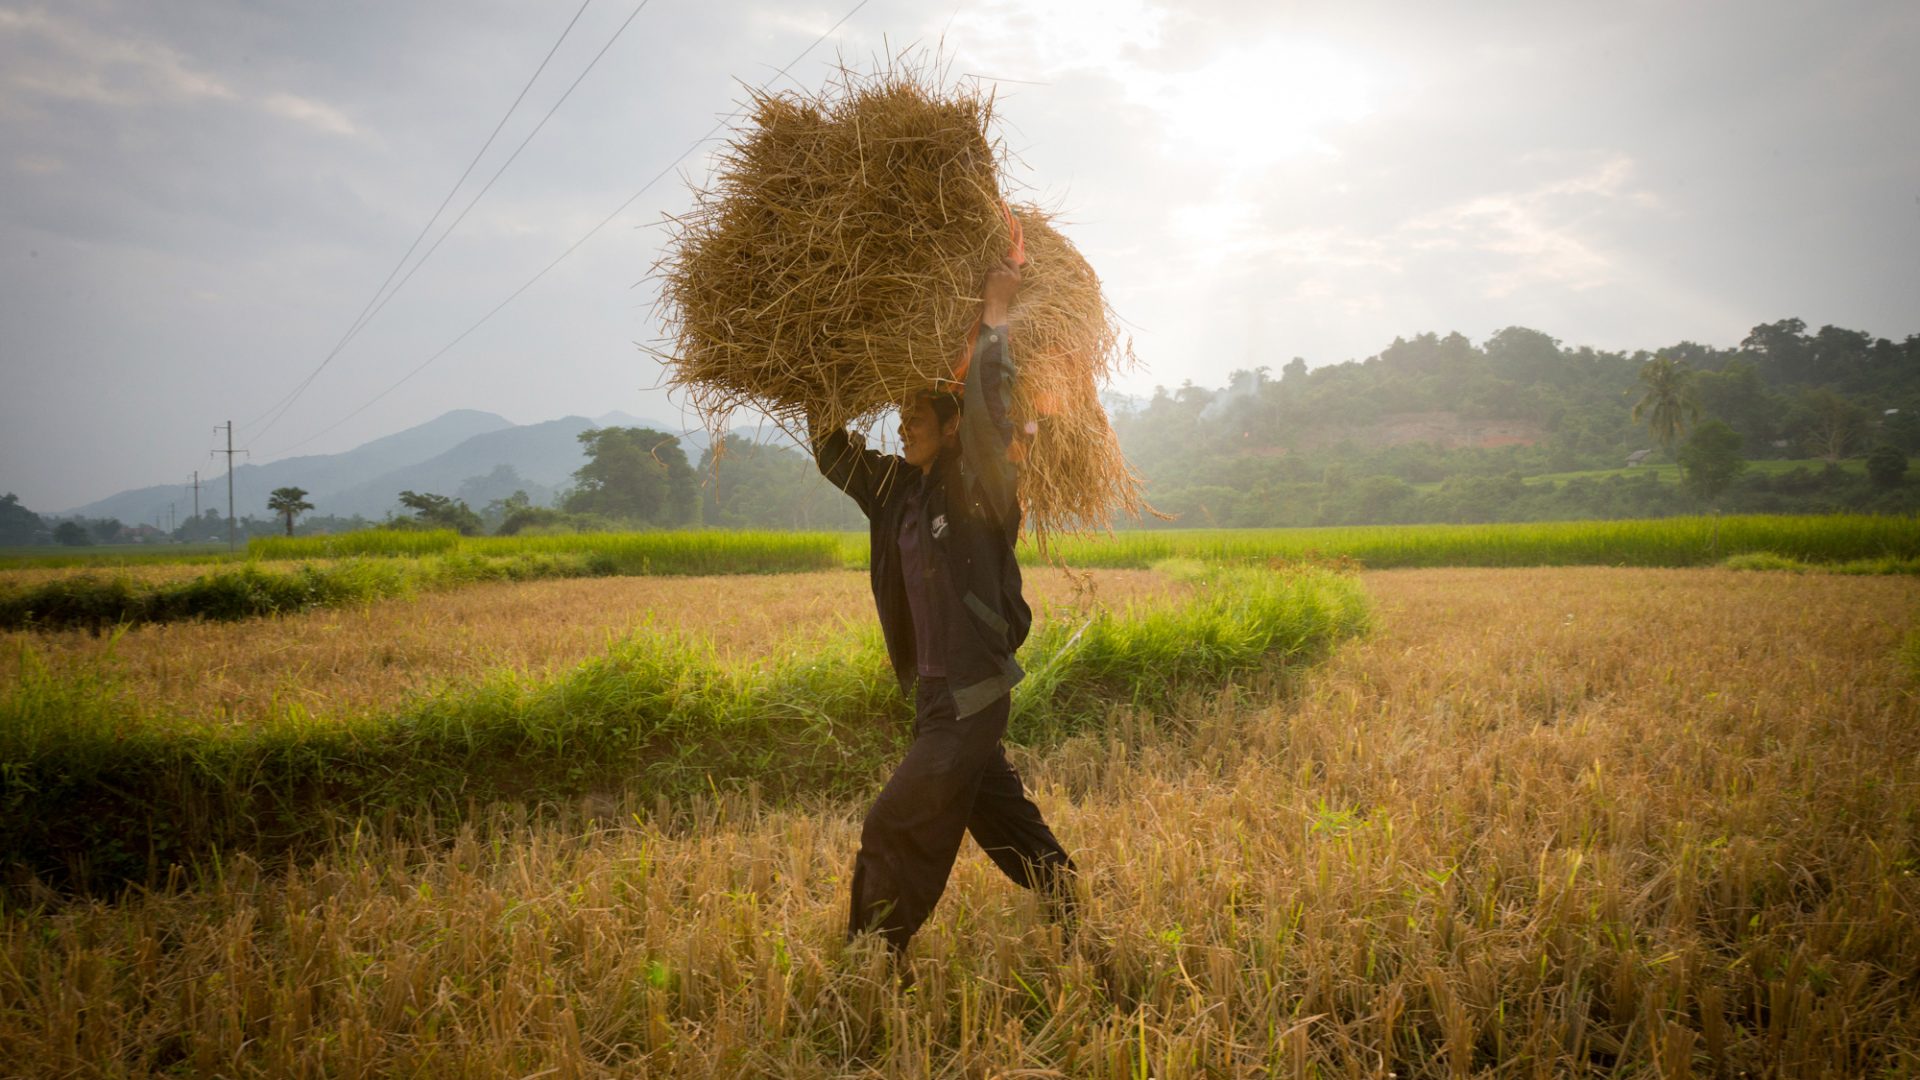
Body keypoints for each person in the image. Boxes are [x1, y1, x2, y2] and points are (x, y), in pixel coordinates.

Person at [808, 256, 1077, 957]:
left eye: (917, 418)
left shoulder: (976, 484)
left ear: (951, 427)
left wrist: (995, 313)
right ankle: (1068, 899)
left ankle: (872, 954)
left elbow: (991, 413)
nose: (903, 428)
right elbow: (833, 454)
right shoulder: (896, 490)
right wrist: (815, 372)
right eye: (900, 417)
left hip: (972, 691)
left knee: (896, 821)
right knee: (999, 814)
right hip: (933, 694)